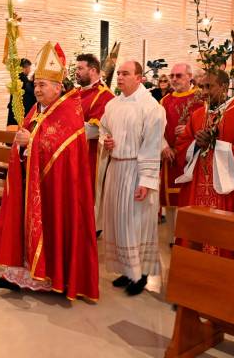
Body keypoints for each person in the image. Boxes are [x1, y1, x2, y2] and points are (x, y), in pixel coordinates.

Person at [0, 42, 99, 301]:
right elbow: (28, 139)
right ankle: (17, 275)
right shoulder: (36, 111)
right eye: (35, 84)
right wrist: (22, 146)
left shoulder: (68, 112)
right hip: (30, 183)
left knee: (50, 226)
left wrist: (32, 143)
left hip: (54, 189)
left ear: (58, 88)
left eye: (42, 85)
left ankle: (50, 278)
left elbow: (62, 148)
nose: (36, 89)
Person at [175, 70, 234, 256]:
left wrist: (217, 145)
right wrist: (195, 145)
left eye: (209, 86)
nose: (204, 91)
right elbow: (182, 145)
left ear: (224, 87)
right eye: (202, 86)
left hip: (226, 192)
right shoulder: (198, 115)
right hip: (198, 186)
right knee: (196, 237)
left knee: (223, 241)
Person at [99, 60, 166, 296]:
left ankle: (141, 274)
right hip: (116, 167)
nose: (119, 77)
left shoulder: (151, 107)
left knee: (137, 222)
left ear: (139, 78)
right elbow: (103, 129)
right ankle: (126, 270)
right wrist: (105, 141)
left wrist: (146, 181)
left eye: (125, 73)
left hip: (137, 170)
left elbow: (152, 145)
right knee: (118, 221)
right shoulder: (113, 104)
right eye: (118, 73)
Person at [159, 63, 202, 238]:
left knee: (189, 196)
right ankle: (171, 237)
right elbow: (157, 128)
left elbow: (207, 124)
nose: (174, 79)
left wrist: (189, 130)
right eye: (172, 76)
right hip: (170, 156)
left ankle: (188, 236)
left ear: (189, 76)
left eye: (179, 76)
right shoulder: (165, 101)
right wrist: (164, 146)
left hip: (192, 155)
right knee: (170, 200)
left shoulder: (200, 98)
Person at [75, 53, 114, 189]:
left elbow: (95, 130)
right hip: (75, 155)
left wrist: (66, 126)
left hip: (92, 156)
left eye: (80, 68)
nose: (76, 72)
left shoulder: (104, 95)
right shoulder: (75, 93)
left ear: (92, 70)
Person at [5, 58, 36, 128]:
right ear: (24, 68)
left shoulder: (15, 79)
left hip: (14, 111)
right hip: (21, 112)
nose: (30, 70)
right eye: (29, 68)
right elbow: (31, 92)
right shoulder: (23, 80)